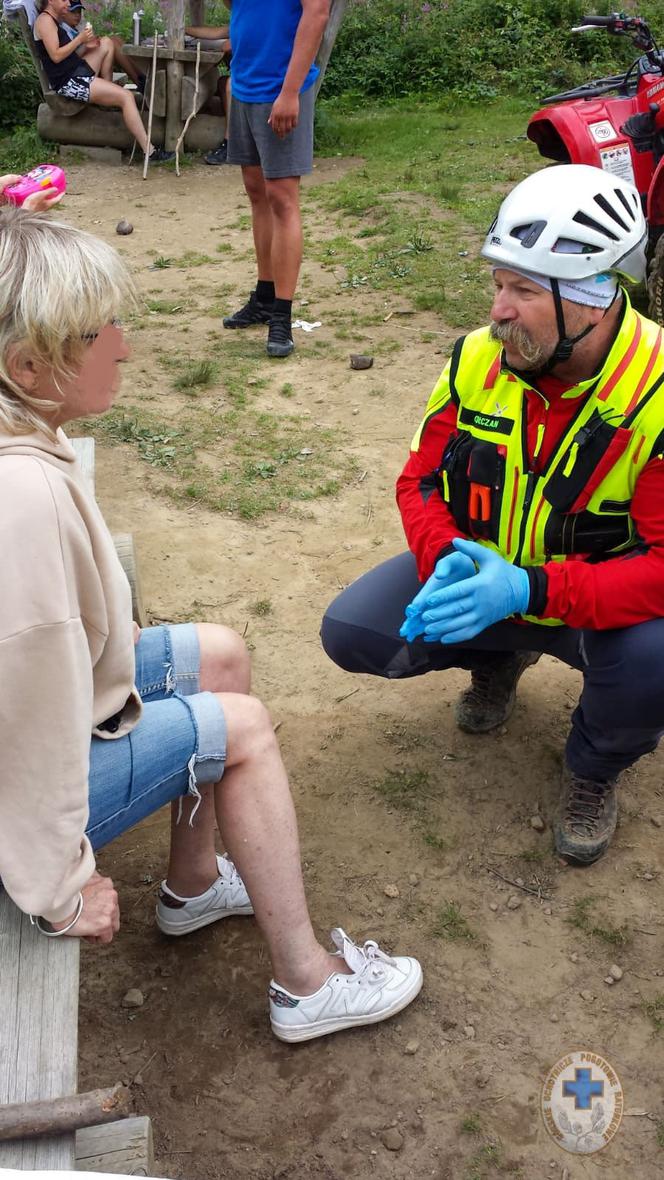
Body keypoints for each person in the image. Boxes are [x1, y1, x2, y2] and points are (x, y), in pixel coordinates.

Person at [0, 206, 422, 1042]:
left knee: (220, 657)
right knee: (245, 729)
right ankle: (308, 983)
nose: (122, 343)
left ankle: (193, 888)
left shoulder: (27, 440)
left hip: (51, 710)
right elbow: (29, 718)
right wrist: (57, 887)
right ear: (27, 364)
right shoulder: (25, 497)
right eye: (97, 331)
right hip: (17, 783)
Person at [321, 163, 664, 869]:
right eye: (498, 284)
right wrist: (444, 556)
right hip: (487, 575)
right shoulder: (480, 355)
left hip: (593, 604)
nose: (499, 311)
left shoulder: (656, 393)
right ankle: (498, 657)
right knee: (354, 632)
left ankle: (596, 766)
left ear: (595, 296)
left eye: (525, 290)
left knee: (655, 658)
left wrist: (529, 590)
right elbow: (418, 480)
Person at [222, 0, 330, 358]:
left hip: (282, 88)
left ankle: (281, 314)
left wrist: (289, 93)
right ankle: (265, 297)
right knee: (257, 193)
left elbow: (316, 14)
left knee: (282, 199)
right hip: (244, 82)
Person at [33, 0, 172, 163]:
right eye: (64, 0)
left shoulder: (53, 20)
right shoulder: (45, 21)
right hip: (69, 82)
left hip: (74, 71)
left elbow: (65, 57)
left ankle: (108, 97)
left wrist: (86, 45)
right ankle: (150, 152)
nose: (68, 3)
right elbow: (56, 56)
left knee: (106, 43)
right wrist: (80, 39)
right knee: (126, 96)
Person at [60, 0, 146, 92]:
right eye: (73, 12)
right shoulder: (64, 31)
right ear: (64, 13)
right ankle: (139, 82)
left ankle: (142, 78)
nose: (77, 15)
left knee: (115, 39)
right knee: (109, 42)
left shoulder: (72, 30)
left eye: (79, 12)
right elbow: (70, 57)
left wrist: (92, 43)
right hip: (76, 73)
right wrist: (85, 46)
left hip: (85, 63)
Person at [184, 21, 230, 166]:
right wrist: (183, 29)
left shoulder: (256, 16)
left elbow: (228, 46)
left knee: (230, 86)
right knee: (223, 83)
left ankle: (230, 143)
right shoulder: (245, 15)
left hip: (265, 74)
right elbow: (216, 32)